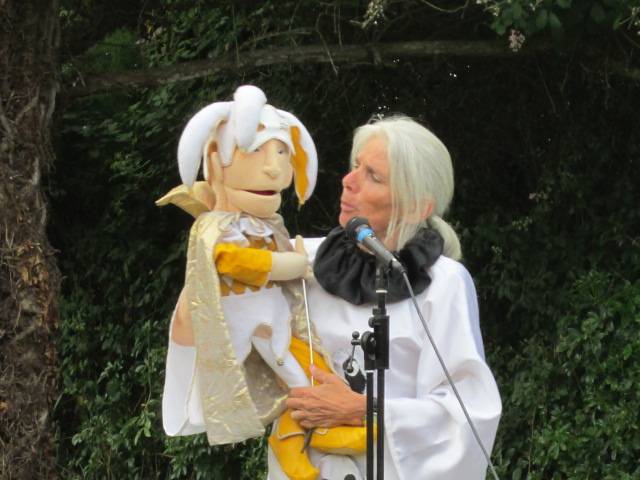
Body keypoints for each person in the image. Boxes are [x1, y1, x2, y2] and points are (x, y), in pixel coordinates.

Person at [277, 115, 502, 479]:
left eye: (373, 177)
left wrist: (363, 410)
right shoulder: (299, 261)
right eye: (355, 166)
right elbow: (227, 321)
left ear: (416, 206)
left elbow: (467, 414)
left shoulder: (444, 283)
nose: (348, 181)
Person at [159, 85, 367, 480]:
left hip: (275, 317)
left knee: (309, 367)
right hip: (245, 323)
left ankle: (305, 431)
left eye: (282, 153)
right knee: (291, 376)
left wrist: (293, 259)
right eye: (256, 152)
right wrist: (288, 263)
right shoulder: (215, 229)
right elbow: (233, 261)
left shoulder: (272, 227)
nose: (273, 169)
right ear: (217, 161)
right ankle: (298, 436)